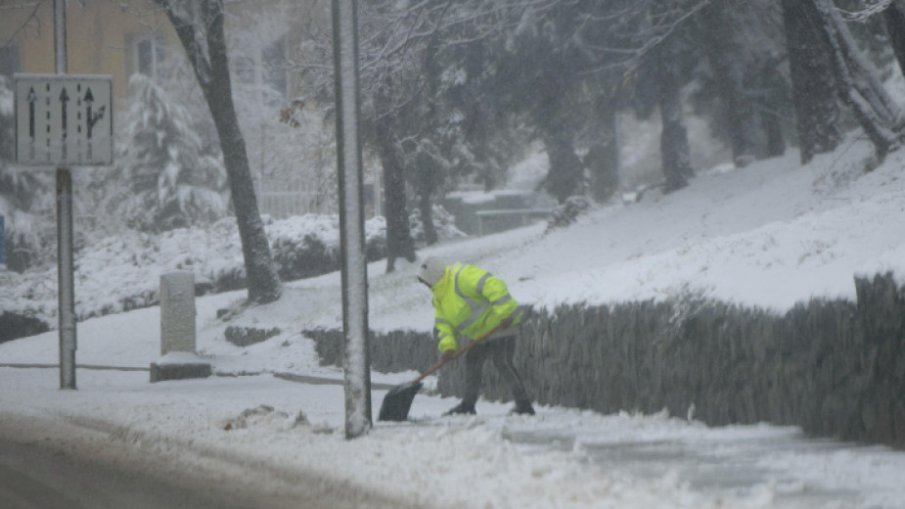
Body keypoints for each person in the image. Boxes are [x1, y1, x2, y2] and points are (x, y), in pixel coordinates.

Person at [417, 257, 535, 416]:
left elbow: (493, 285)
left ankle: (524, 406)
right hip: (480, 335)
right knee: (472, 362)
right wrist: (448, 347)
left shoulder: (461, 276)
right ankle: (468, 406)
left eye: (426, 281)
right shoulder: (439, 298)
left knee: (502, 361)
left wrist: (505, 312)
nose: (426, 285)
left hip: (500, 324)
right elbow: (444, 326)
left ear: (433, 276)